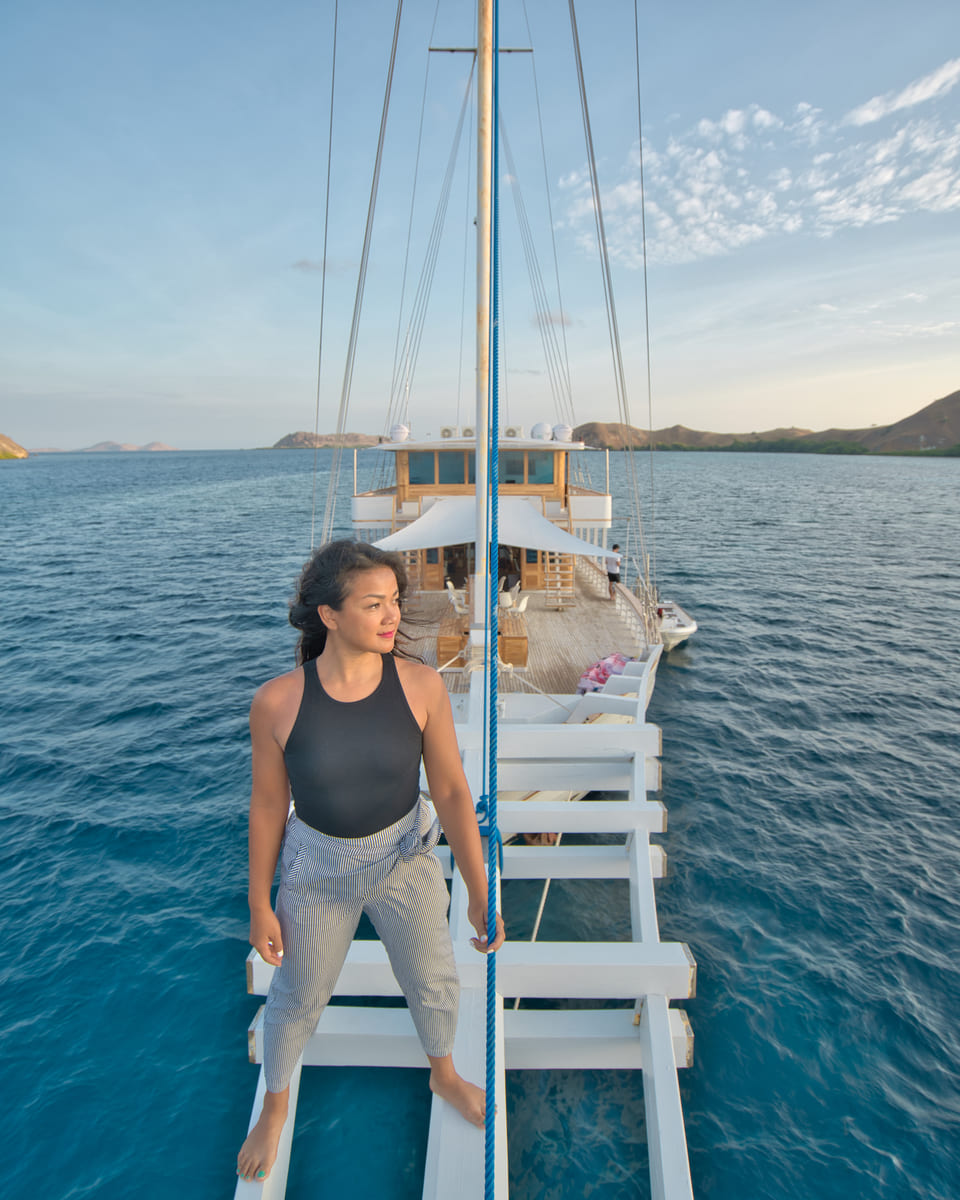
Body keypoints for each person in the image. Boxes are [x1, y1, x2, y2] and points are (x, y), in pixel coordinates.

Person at [237, 539, 505, 1184]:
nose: (392, 616)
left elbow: (451, 792)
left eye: (395, 601)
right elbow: (269, 806)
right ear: (329, 615)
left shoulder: (421, 686)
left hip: (404, 861)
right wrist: (258, 903)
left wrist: (477, 888)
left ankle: (444, 1073)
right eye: (374, 604)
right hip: (316, 871)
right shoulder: (276, 702)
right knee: (297, 994)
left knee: (434, 979)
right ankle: (275, 1105)